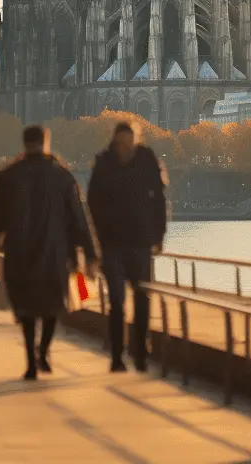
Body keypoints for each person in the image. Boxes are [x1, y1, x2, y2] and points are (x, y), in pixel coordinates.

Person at [0, 125, 96, 381]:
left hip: (19, 253)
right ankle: (43, 350)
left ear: (25, 144)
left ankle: (31, 361)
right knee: (51, 306)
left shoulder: (8, 176)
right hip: (54, 254)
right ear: (45, 142)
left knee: (25, 309)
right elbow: (78, 219)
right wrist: (89, 254)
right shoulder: (63, 177)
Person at [87, 121, 169, 373]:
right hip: (113, 243)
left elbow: (160, 200)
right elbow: (93, 203)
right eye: (123, 141)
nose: (127, 146)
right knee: (117, 301)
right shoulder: (104, 162)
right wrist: (99, 237)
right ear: (116, 141)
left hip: (141, 241)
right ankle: (117, 356)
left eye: (130, 140)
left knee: (142, 298)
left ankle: (141, 352)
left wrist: (158, 235)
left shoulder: (147, 159)